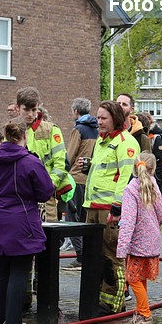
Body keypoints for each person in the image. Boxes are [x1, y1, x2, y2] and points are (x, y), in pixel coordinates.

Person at [0, 119, 54, 324]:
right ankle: (13, 321)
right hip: (22, 218)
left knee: (1, 271)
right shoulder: (30, 161)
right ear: (24, 136)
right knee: (19, 271)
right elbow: (46, 191)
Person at [84, 99, 140, 315]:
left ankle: (114, 303)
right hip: (93, 206)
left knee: (112, 257)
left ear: (115, 119)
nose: (99, 122)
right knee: (95, 256)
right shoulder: (101, 141)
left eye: (103, 118)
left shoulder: (126, 143)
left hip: (109, 209)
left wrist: (117, 208)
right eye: (97, 117)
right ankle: (99, 298)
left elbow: (126, 179)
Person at [117, 152, 162, 324]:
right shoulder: (154, 186)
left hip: (137, 244)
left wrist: (121, 248)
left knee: (133, 279)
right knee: (141, 279)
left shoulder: (131, 190)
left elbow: (128, 222)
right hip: (152, 242)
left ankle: (145, 314)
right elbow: (161, 215)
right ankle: (139, 313)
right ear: (153, 169)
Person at [17, 87, 72, 220]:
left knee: (47, 236)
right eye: (26, 109)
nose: (30, 114)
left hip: (45, 197)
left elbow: (62, 163)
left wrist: (49, 185)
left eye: (34, 110)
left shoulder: (51, 130)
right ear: (18, 107)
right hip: (19, 196)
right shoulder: (12, 130)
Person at [62, 97, 99, 272]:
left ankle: (80, 257)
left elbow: (69, 156)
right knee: (85, 218)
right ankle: (89, 255)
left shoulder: (79, 129)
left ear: (76, 111)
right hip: (90, 179)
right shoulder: (97, 129)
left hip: (76, 178)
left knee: (72, 219)